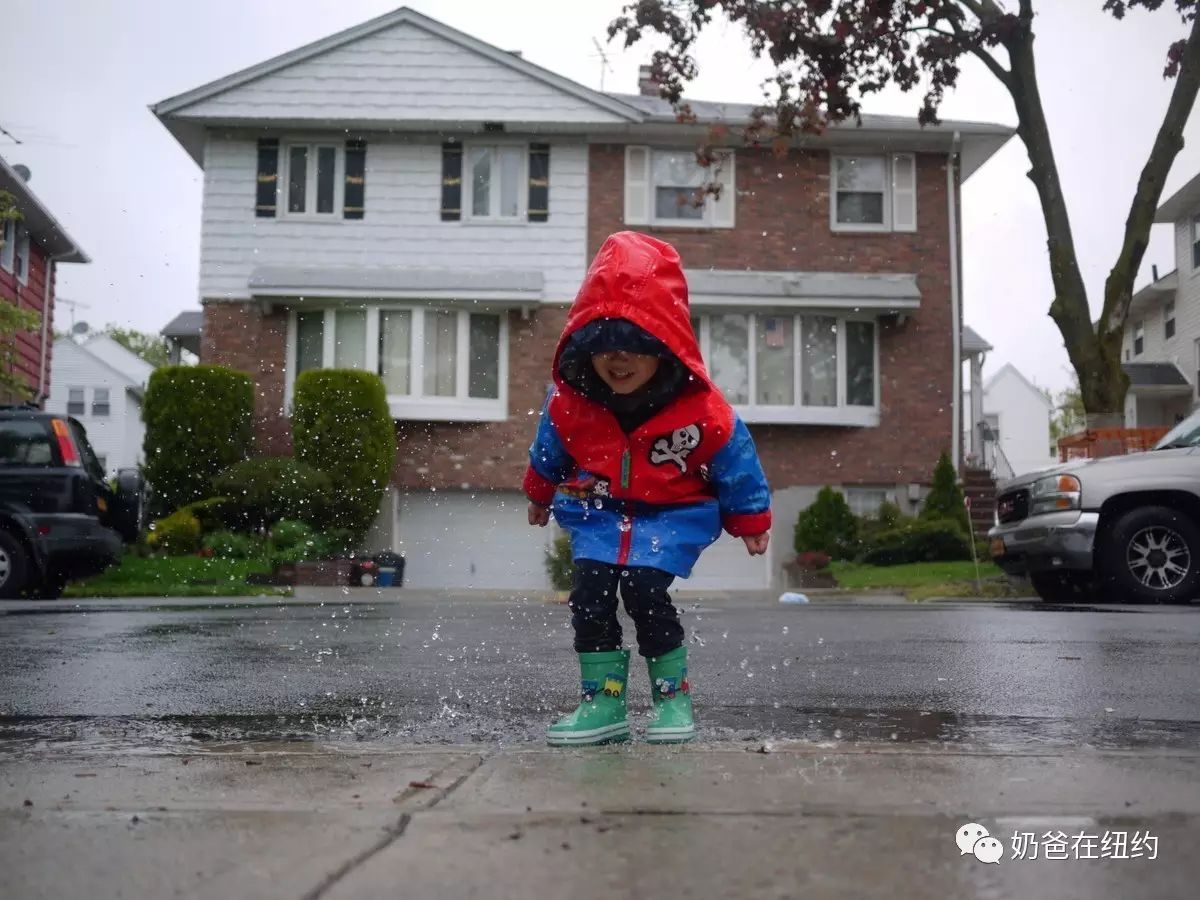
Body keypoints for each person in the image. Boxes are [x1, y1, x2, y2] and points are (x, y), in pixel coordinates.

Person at [523, 231, 771, 746]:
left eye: (636, 346)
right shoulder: (573, 402)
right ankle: (603, 703)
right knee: (589, 594)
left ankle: (672, 701)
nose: (619, 360)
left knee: (642, 588)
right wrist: (539, 490)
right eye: (605, 346)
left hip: (673, 514)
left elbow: (734, 458)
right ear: (585, 347)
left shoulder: (700, 411)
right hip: (598, 510)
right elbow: (551, 444)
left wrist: (749, 517)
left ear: (665, 347)